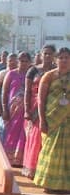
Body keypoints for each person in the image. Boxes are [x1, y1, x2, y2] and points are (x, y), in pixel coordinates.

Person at [33, 47, 70, 194]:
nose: (64, 60)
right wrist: (42, 120)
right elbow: (41, 100)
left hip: (67, 120)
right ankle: (48, 183)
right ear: (56, 60)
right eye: (61, 57)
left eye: (67, 57)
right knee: (51, 151)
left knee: (67, 153)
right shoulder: (48, 76)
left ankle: (65, 185)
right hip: (51, 120)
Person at [23, 45, 56, 177]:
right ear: (41, 55)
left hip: (52, 107)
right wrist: (26, 110)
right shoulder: (33, 70)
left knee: (49, 137)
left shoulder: (57, 71)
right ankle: (33, 168)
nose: (47, 56)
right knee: (35, 138)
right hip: (34, 107)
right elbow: (27, 90)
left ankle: (46, 168)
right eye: (45, 54)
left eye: (50, 54)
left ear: (54, 55)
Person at [0, 53, 31, 166]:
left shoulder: (31, 74)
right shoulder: (11, 74)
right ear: (18, 61)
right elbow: (4, 92)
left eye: (26, 61)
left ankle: (20, 159)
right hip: (12, 109)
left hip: (26, 110)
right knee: (10, 133)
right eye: (21, 61)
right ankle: (8, 158)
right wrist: (4, 109)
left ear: (29, 62)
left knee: (24, 132)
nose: (23, 63)